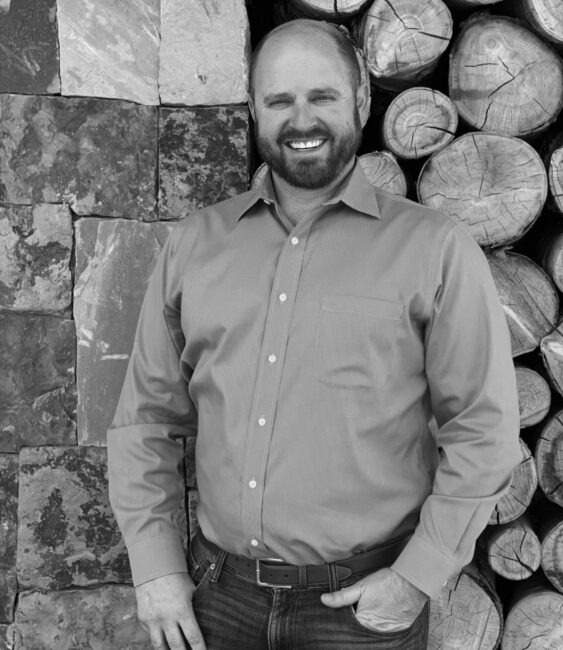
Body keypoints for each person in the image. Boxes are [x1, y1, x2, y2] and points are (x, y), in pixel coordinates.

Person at [107, 18, 521, 650]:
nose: (302, 121)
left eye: (322, 97)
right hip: (215, 601)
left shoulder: (435, 249)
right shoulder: (195, 245)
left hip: (360, 610)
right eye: (280, 101)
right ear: (254, 110)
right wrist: (156, 567)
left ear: (360, 100)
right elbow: (146, 421)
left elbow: (483, 430)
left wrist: (417, 577)